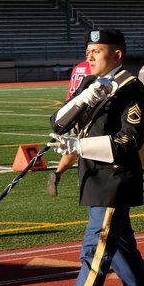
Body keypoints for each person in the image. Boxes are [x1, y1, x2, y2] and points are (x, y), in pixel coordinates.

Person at [33, 28, 144, 286]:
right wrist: (83, 98)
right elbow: (57, 123)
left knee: (93, 256)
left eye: (97, 50)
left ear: (117, 55)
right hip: (94, 181)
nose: (90, 55)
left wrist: (79, 146)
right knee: (124, 254)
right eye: (88, 50)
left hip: (113, 181)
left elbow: (130, 140)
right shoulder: (89, 85)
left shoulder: (131, 88)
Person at [46, 57, 90, 197]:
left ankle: (58, 174)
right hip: (84, 111)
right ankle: (84, 181)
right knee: (87, 148)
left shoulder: (78, 67)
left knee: (71, 148)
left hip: (70, 110)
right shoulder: (94, 68)